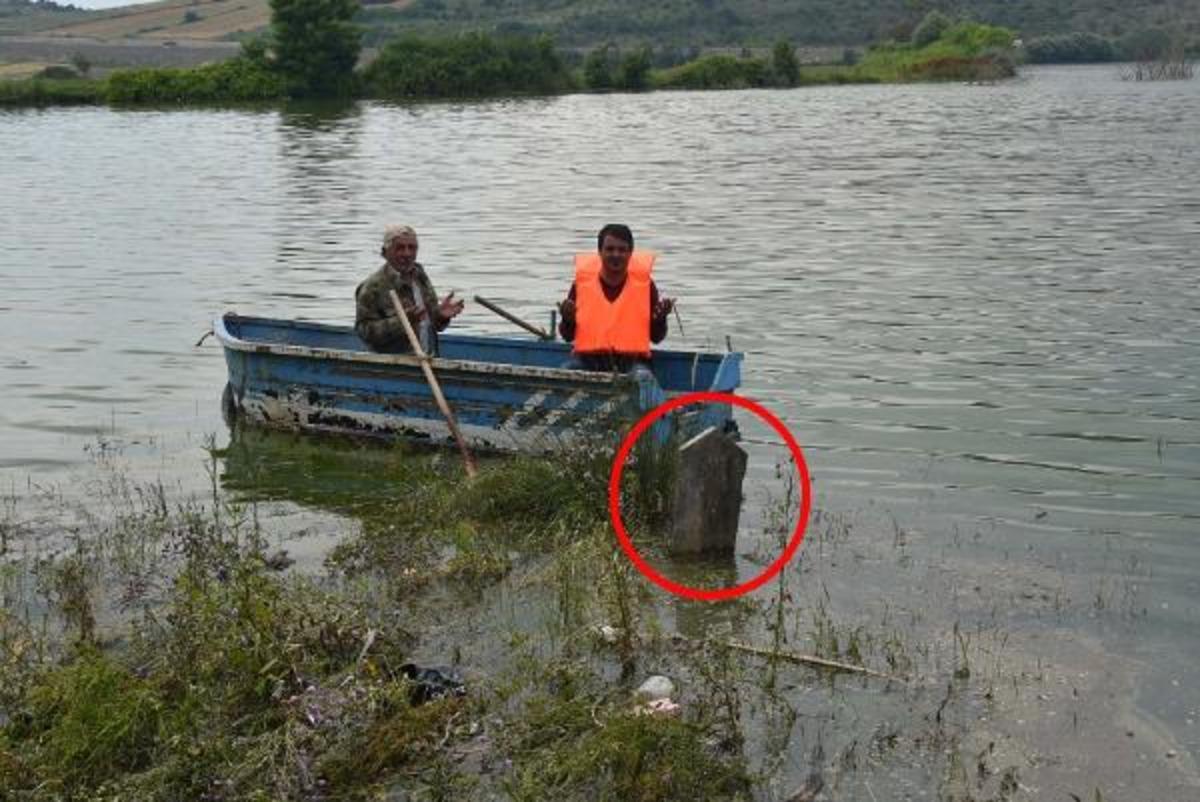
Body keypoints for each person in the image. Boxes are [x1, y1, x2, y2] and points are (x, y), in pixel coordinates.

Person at [558, 224, 675, 372]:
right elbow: (567, 336)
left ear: (630, 253)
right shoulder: (581, 285)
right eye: (610, 249)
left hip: (633, 362)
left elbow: (656, 338)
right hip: (587, 361)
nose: (616, 255)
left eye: (622, 250)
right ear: (600, 252)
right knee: (566, 371)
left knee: (642, 376)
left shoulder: (646, 286)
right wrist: (567, 319)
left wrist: (660, 319)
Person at [355, 225, 464, 354]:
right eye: (400, 248)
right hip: (394, 362)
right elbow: (365, 332)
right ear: (385, 252)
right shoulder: (372, 287)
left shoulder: (420, 277)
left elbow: (430, 325)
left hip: (428, 358)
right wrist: (403, 322)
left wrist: (440, 316)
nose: (407, 254)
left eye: (412, 248)